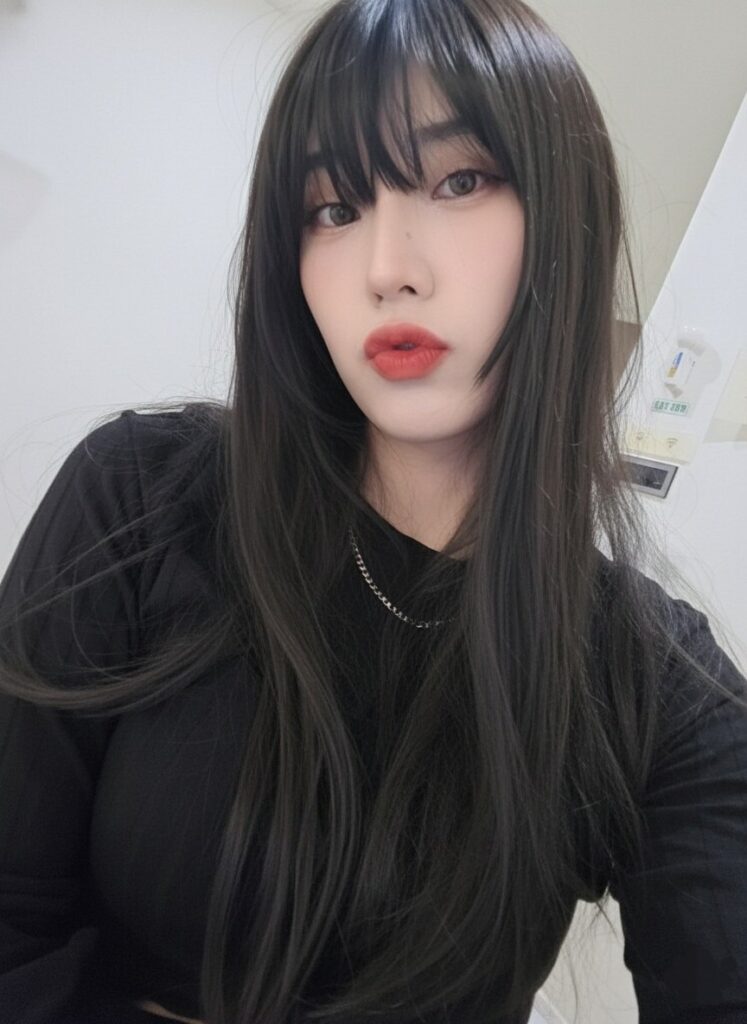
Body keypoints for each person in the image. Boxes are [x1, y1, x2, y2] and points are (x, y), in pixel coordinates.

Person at [1, 0, 745, 1022]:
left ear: (564, 219)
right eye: (333, 207)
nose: (387, 267)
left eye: (460, 181)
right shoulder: (140, 496)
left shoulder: (649, 678)